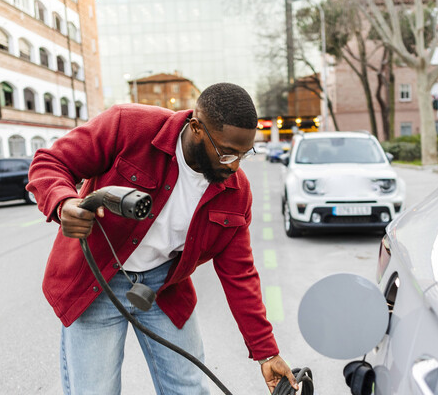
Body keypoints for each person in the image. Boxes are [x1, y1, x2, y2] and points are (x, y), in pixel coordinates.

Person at [27, 82, 298, 394]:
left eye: (243, 153)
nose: (234, 165)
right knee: (94, 390)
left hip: (164, 287)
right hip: (97, 280)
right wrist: (63, 203)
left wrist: (267, 352)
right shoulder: (127, 126)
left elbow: (239, 274)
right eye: (226, 153)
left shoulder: (236, 192)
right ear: (197, 128)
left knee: (188, 389)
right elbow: (49, 162)